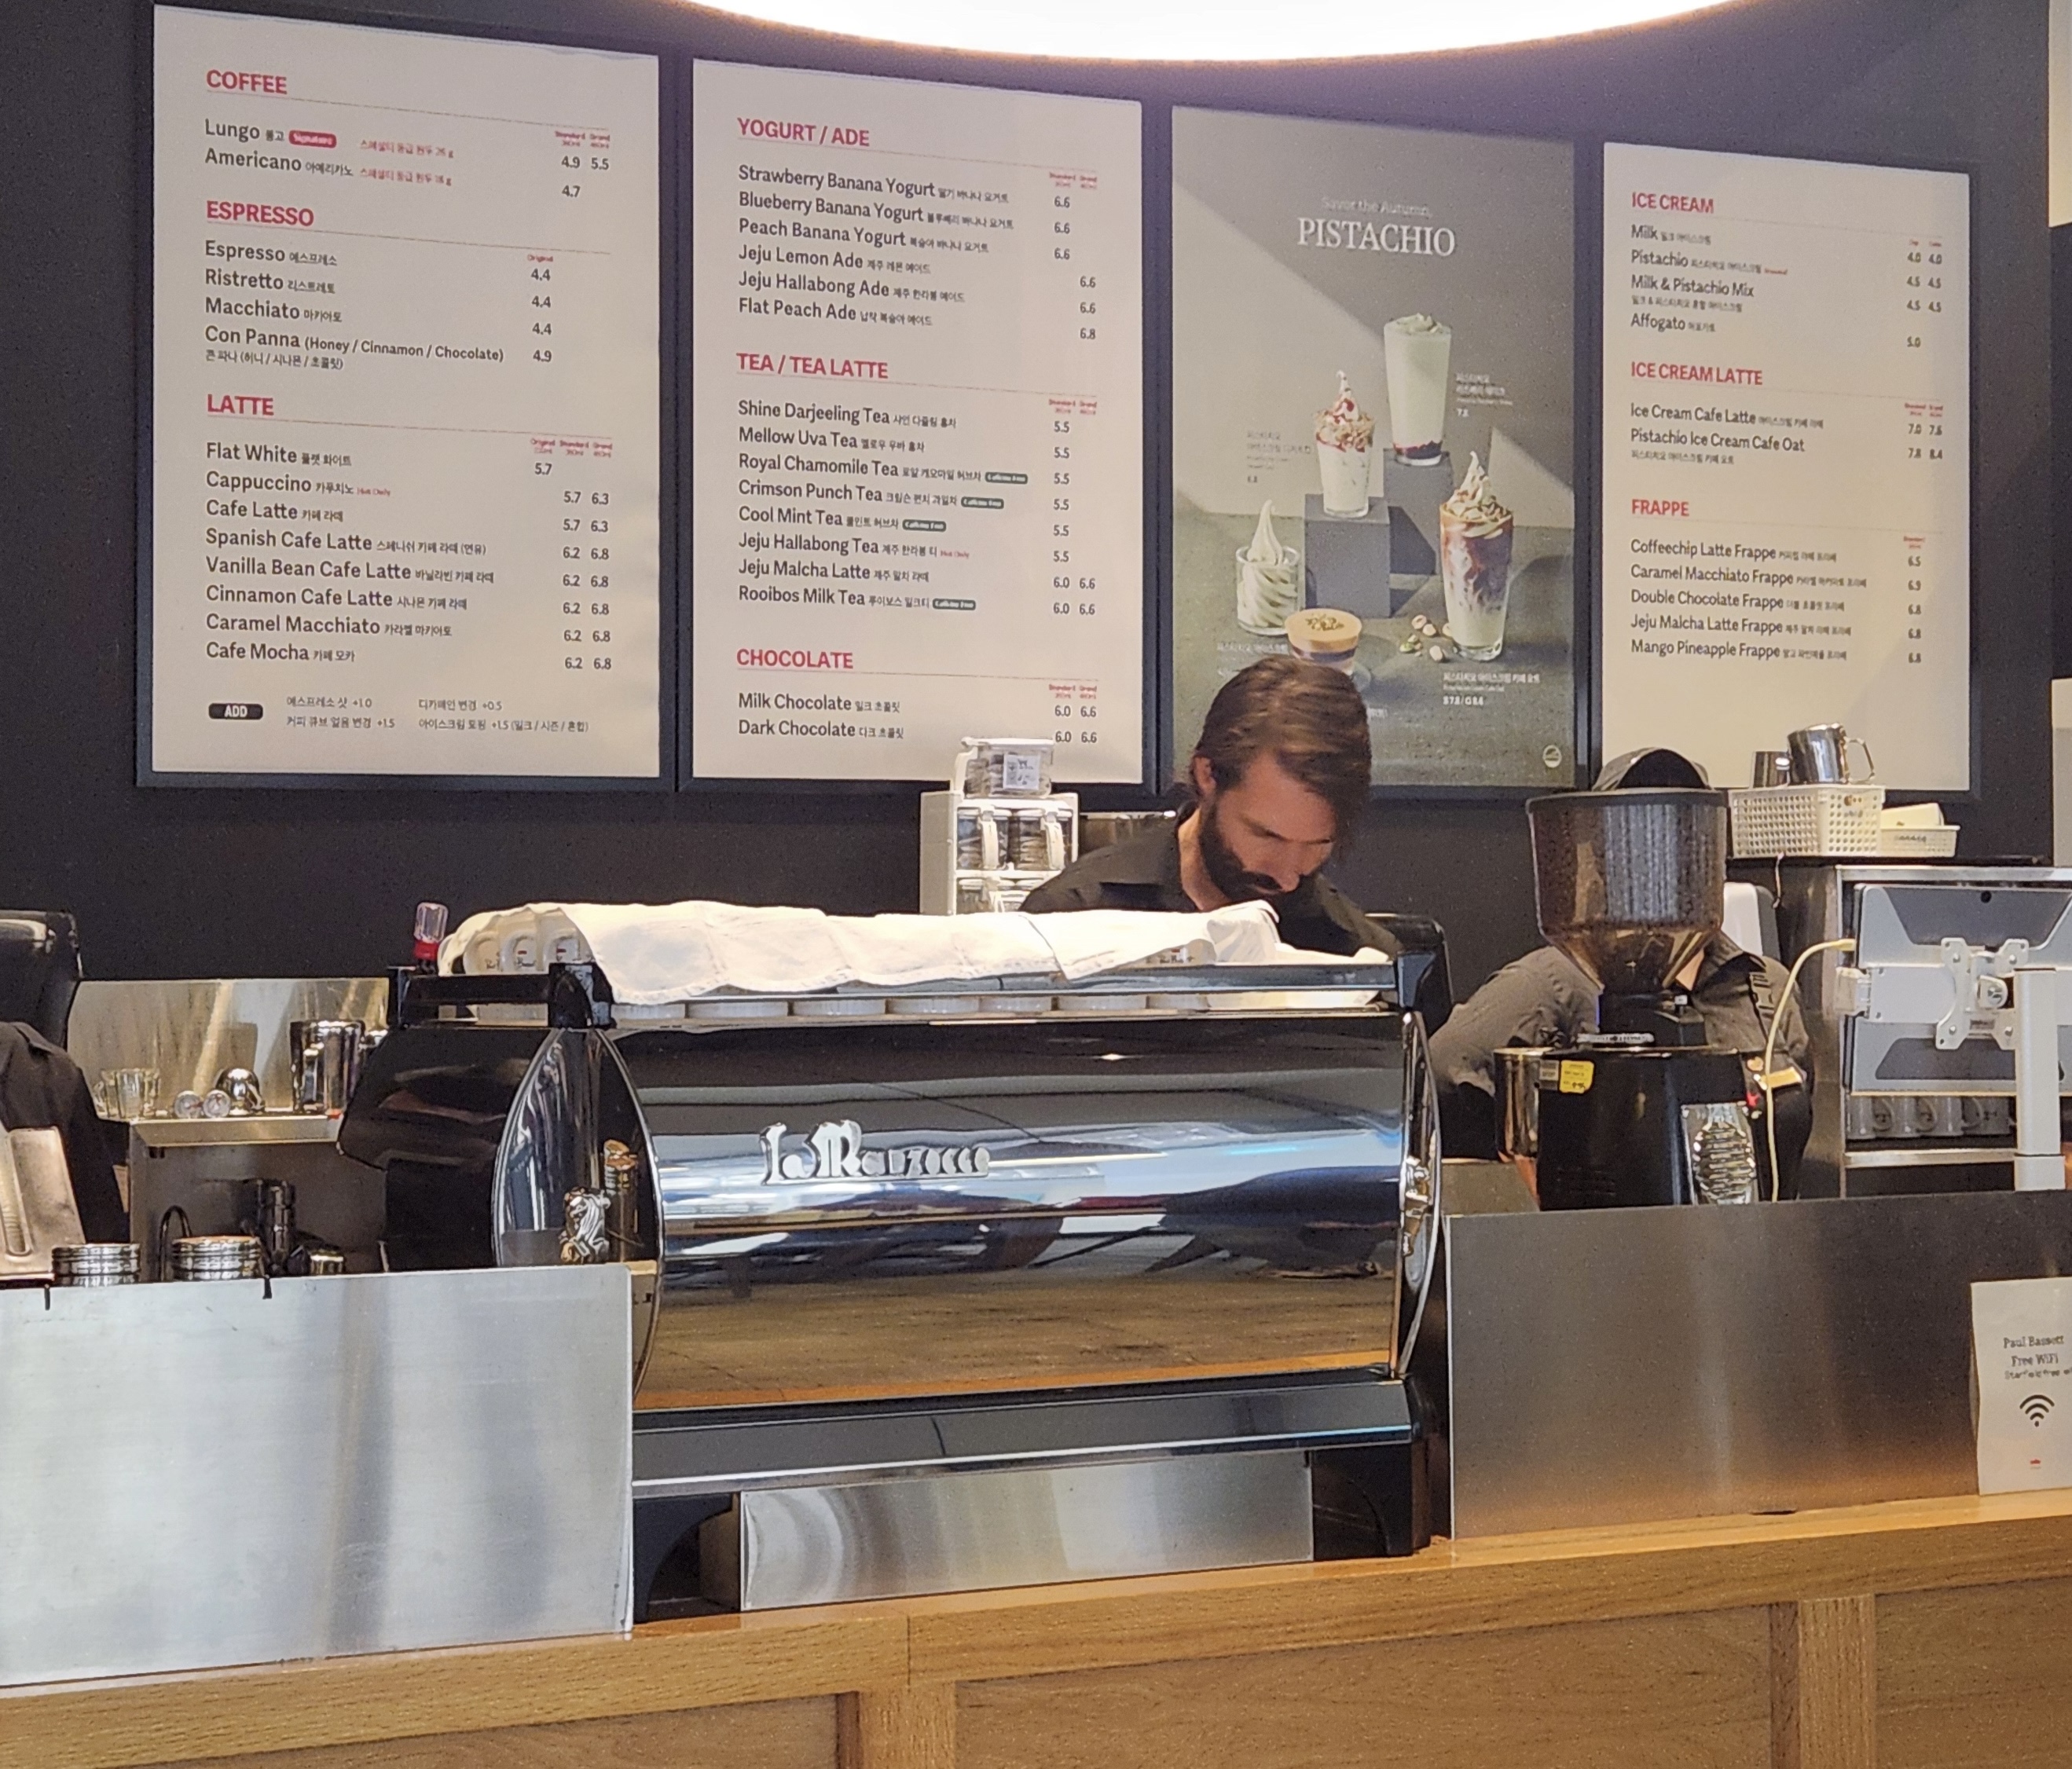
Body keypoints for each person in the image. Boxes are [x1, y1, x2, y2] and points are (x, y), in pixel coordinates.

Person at [1428, 747, 1813, 1192]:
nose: (1663, 853)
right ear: (1602, 856)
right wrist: (1518, 1180)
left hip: (1754, 1234)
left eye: (1681, 831)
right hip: (1606, 1237)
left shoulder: (1767, 989)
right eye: (1638, 838)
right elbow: (1440, 1077)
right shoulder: (1552, 984)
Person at [1023, 655, 1397, 959]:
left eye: (1318, 845)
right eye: (1267, 836)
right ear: (1208, 776)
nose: (1287, 878)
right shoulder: (1067, 922)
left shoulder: (1359, 955)